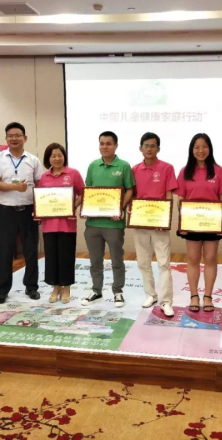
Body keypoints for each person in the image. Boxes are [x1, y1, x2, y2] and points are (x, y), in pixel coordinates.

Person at [0, 122, 44, 304]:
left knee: (31, 250)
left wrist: (41, 209)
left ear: (25, 138)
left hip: (28, 211)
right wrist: (14, 187)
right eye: (10, 136)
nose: (14, 139)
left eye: (18, 135)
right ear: (6, 139)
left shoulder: (33, 160)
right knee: (4, 251)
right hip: (6, 212)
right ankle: (2, 289)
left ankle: (32, 287)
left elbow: (40, 185)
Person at [176, 134, 222, 313]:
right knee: (192, 258)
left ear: (210, 149)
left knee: (210, 258)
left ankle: (208, 296)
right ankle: (194, 295)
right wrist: (182, 221)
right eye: (197, 147)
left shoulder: (218, 171)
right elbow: (181, 198)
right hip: (191, 222)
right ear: (192, 149)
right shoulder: (185, 171)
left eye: (204, 147)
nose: (201, 150)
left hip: (212, 222)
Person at [82, 131, 135, 308]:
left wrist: (120, 207)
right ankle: (96, 290)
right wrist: (86, 208)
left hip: (114, 223)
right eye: (102, 143)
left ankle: (118, 291)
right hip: (93, 223)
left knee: (117, 260)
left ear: (115, 146)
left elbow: (129, 190)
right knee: (95, 260)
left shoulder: (124, 166)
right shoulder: (93, 166)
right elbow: (89, 190)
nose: (104, 147)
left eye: (108, 143)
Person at [131, 132, 178, 317]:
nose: (149, 149)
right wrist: (131, 210)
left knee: (164, 263)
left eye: (153, 146)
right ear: (140, 148)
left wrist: (165, 219)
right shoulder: (135, 169)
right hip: (140, 223)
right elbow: (133, 195)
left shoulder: (167, 168)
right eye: (146, 145)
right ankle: (150, 295)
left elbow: (169, 195)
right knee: (143, 262)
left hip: (159, 224)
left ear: (158, 148)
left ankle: (166, 301)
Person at [37, 143, 84, 304]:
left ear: (64, 157)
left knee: (66, 257)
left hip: (67, 225)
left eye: (60, 155)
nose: (57, 158)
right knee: (51, 257)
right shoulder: (44, 177)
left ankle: (66, 287)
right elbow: (41, 199)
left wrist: (73, 207)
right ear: (48, 158)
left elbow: (82, 193)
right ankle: (55, 287)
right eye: (53, 156)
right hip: (49, 225)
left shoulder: (73, 174)